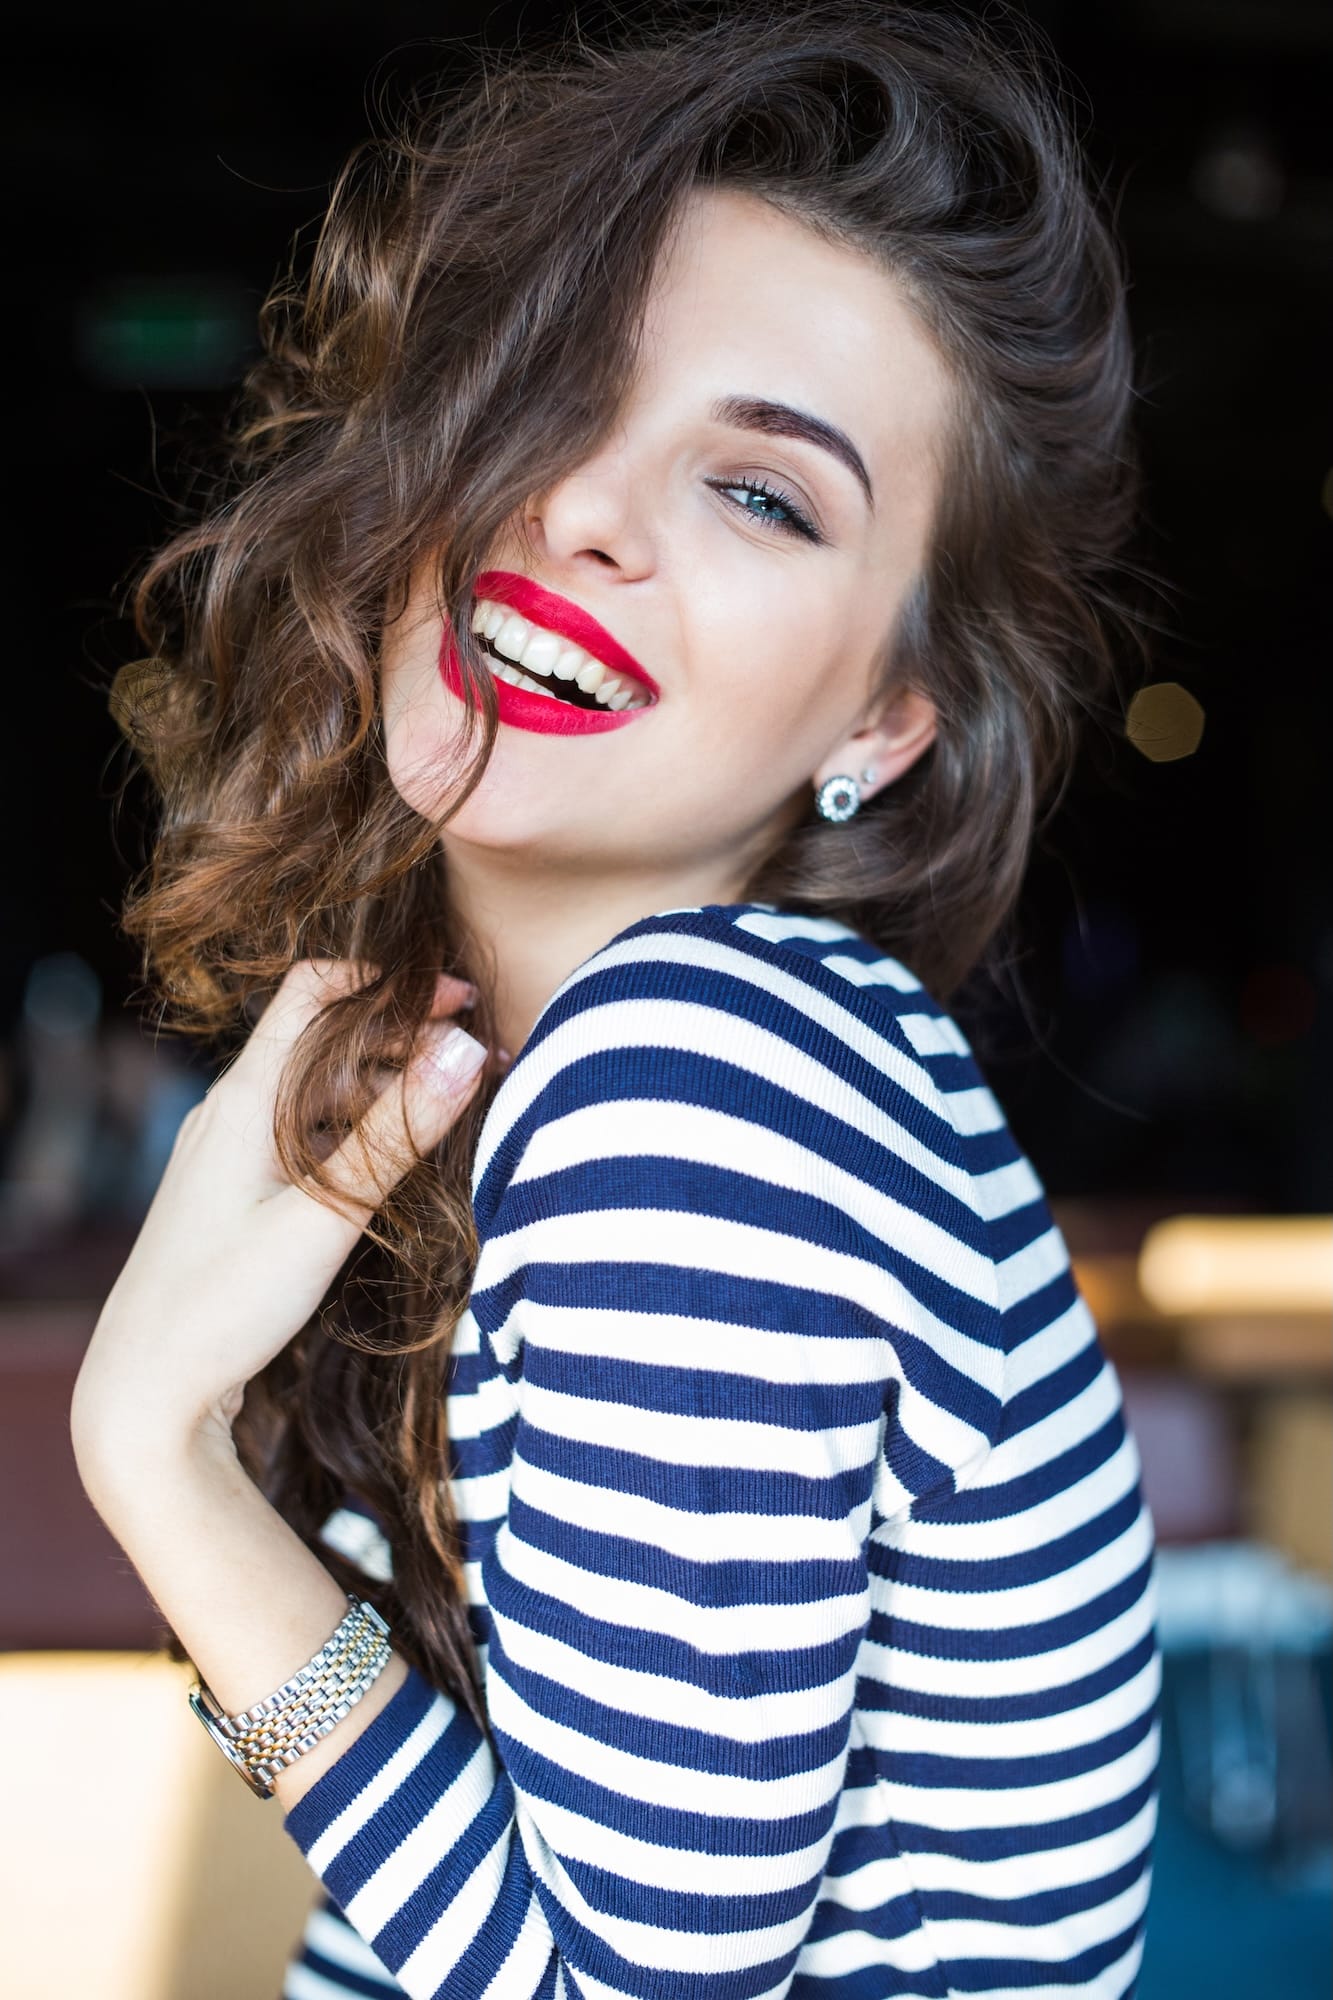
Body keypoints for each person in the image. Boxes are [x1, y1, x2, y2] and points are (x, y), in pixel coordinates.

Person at [71, 5, 1159, 1997]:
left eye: (763, 494)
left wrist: (157, 1449)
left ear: (880, 716)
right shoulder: (625, 1075)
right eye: (562, 390)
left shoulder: (698, 1086)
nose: (582, 509)